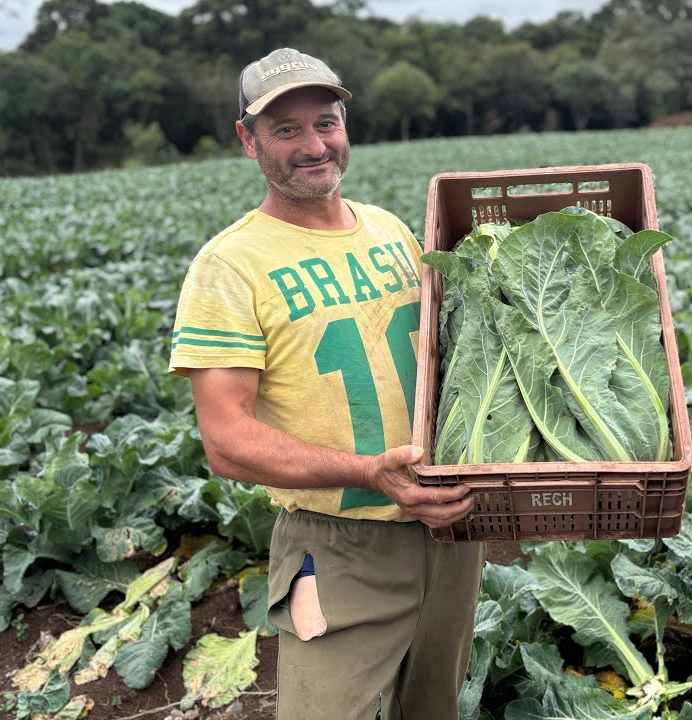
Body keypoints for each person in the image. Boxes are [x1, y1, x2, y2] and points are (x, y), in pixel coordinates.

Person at [168, 47, 484, 719]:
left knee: (432, 708)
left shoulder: (393, 232)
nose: (314, 146)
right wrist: (372, 471)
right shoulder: (230, 265)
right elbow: (225, 441)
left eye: (327, 122)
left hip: (451, 538)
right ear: (248, 140)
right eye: (287, 130)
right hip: (337, 551)